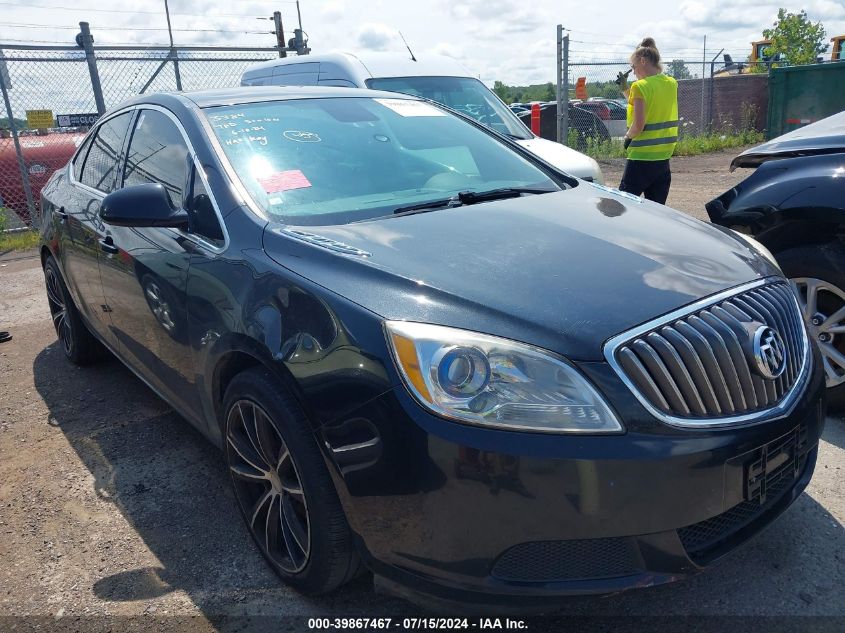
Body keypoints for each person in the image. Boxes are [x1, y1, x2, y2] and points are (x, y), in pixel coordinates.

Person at [616, 38, 678, 204]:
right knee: (656, 210)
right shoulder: (671, 83)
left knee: (624, 205)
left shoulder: (640, 86)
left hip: (641, 158)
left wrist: (627, 137)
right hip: (663, 158)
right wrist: (625, 90)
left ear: (643, 61)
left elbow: (638, 125)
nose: (634, 72)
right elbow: (647, 101)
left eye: (634, 67)